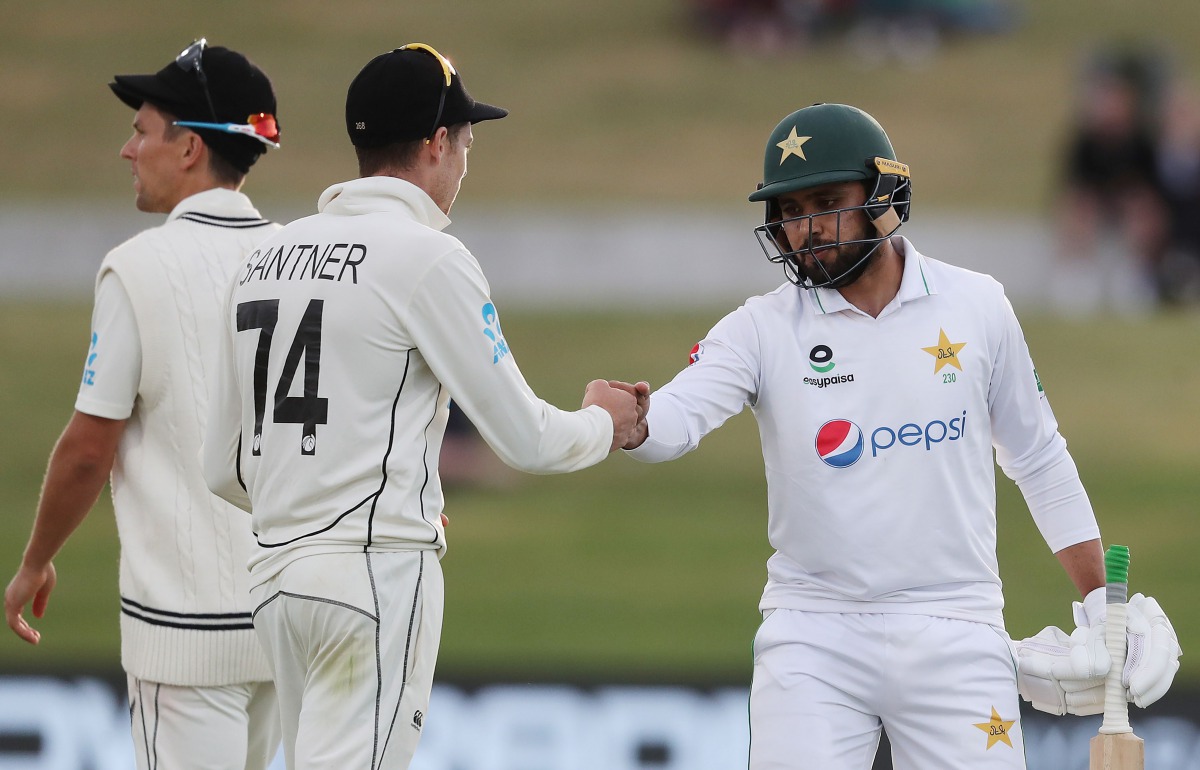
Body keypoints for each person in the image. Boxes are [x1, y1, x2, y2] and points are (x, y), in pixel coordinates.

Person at [618, 103, 1181, 769]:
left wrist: (1098, 604)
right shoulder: (761, 328)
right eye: (790, 211)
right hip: (812, 635)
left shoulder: (977, 306)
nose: (806, 230)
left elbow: (1038, 457)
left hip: (956, 626)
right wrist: (632, 421)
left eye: (826, 202)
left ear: (883, 197)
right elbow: (674, 420)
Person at [201, 43, 641, 770]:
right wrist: (606, 422)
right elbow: (527, 439)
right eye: (466, 143)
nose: (465, 163)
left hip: (276, 585)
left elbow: (222, 467)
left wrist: (316, 507)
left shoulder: (265, 256)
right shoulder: (428, 255)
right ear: (438, 144)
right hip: (373, 579)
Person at [3, 41, 284, 769]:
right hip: (292, 623)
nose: (128, 149)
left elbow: (89, 448)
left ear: (189, 148)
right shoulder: (297, 256)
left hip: (186, 634)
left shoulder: (138, 267)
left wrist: (35, 561)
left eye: (144, 130)